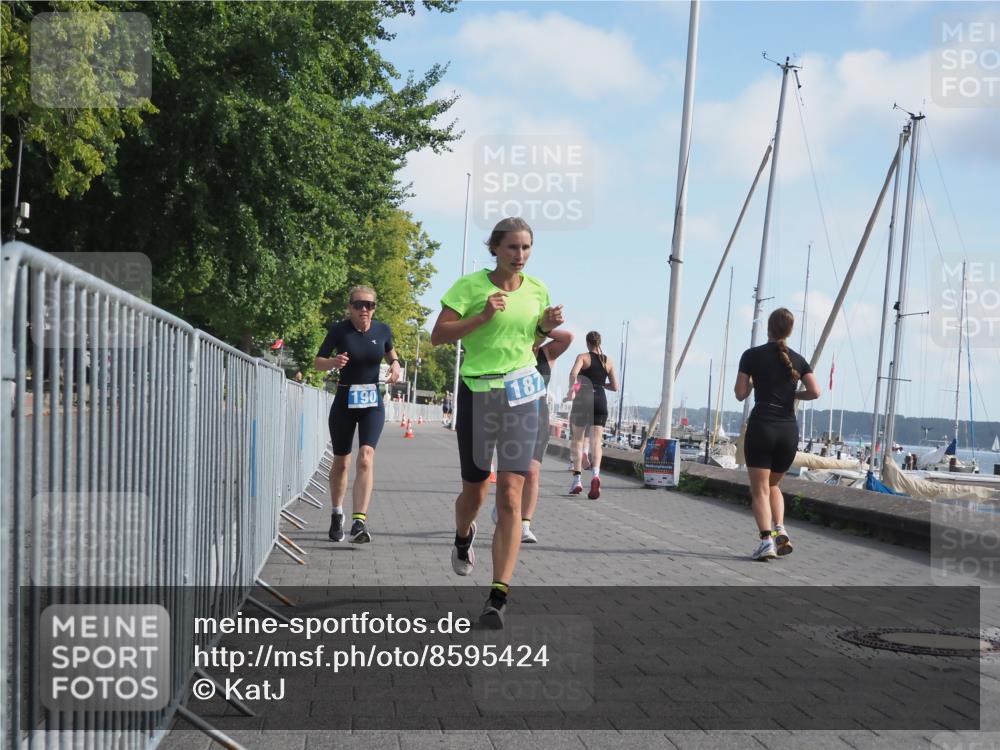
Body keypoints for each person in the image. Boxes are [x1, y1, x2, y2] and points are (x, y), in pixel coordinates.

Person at [431, 217, 564, 628]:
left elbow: (531, 340)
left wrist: (546, 326)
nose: (520, 255)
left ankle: (498, 595)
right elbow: (439, 335)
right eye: (512, 247)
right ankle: (463, 535)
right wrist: (482, 316)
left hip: (522, 394)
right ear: (495, 248)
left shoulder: (537, 289)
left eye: (526, 248)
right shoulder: (470, 287)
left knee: (510, 493)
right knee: (475, 493)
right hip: (479, 393)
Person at [314, 286, 402, 544]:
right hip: (344, 401)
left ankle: (358, 522)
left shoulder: (382, 329)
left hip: (372, 402)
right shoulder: (339, 330)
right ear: (349, 307)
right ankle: (336, 513)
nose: (364, 309)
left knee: (365, 458)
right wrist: (333, 363)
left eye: (369, 305)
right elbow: (317, 362)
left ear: (374, 308)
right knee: (342, 462)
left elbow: (390, 351)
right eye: (359, 305)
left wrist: (396, 364)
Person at [734, 308, 821, 561]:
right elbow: (815, 392)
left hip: (762, 427)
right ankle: (780, 528)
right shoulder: (798, 359)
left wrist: (754, 382)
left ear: (768, 328)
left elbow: (740, 394)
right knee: (773, 485)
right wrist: (793, 394)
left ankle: (766, 542)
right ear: (790, 331)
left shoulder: (751, 356)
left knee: (760, 490)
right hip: (788, 431)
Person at [492, 328, 574, 543]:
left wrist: (542, 325)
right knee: (509, 471)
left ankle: (524, 524)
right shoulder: (512, 353)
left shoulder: (547, 353)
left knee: (532, 471)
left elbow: (568, 338)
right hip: (512, 413)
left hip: (538, 415)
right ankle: (504, 503)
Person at [566, 331, 619, 499]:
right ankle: (595, 475)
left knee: (578, 440)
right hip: (600, 399)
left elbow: (573, 374)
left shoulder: (583, 357)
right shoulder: (608, 361)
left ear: (587, 342)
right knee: (596, 442)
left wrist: (571, 390)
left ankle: (577, 480)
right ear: (599, 342)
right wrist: (601, 383)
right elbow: (615, 386)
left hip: (583, 398)